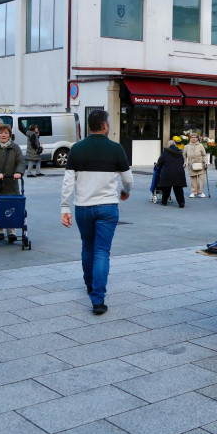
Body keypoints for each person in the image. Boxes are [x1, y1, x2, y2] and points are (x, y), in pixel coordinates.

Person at [60, 109, 133, 315]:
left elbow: (68, 181)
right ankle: (98, 300)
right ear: (105, 126)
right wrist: (125, 191)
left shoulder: (77, 149)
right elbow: (128, 180)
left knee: (87, 246)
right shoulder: (116, 149)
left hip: (83, 207)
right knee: (102, 251)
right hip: (108, 206)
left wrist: (65, 207)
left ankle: (90, 285)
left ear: (90, 127)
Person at [0, 124, 26, 241]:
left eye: (6, 133)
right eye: (1, 133)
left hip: (12, 183)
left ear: (10, 134)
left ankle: (11, 231)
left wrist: (19, 172)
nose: (3, 135)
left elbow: (21, 161)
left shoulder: (15, 147)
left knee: (12, 206)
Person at [156, 141, 187, 208]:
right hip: (178, 172)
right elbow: (182, 161)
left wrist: (158, 167)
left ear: (168, 145)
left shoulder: (165, 152)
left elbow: (160, 162)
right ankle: (181, 203)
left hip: (167, 173)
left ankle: (164, 202)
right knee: (178, 189)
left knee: (166, 188)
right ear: (175, 145)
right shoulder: (180, 153)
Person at [183, 133, 209, 198]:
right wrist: (185, 162)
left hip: (201, 164)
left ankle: (200, 192)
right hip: (191, 165)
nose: (193, 138)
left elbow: (204, 155)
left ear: (197, 138)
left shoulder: (200, 146)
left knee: (201, 179)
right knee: (193, 179)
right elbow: (184, 156)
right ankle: (193, 192)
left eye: (195, 137)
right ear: (190, 138)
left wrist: (206, 162)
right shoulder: (187, 146)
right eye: (192, 137)